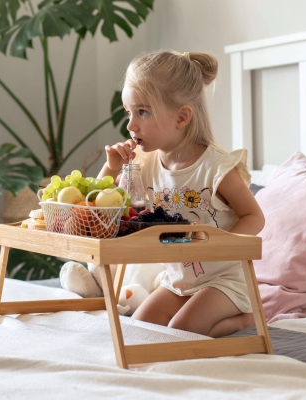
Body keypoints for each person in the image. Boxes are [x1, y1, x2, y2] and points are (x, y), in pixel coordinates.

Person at [98, 50, 265, 338]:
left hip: (223, 281)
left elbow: (255, 217)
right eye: (129, 112)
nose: (130, 125)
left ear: (182, 116)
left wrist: (214, 247)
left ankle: (241, 319)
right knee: (137, 331)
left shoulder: (216, 167)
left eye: (143, 112)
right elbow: (103, 207)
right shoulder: (144, 164)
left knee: (180, 331)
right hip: (177, 279)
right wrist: (111, 169)